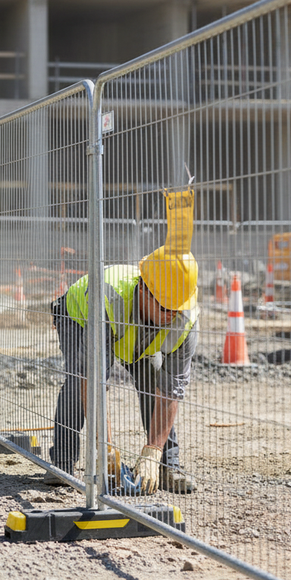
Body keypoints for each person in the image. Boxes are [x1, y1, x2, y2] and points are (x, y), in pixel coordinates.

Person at [50, 188, 199, 494]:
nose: (172, 315)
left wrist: (153, 451)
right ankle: (62, 465)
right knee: (78, 379)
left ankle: (166, 466)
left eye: (177, 308)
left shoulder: (184, 317)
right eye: (165, 307)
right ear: (143, 290)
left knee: (154, 377)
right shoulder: (109, 299)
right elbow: (93, 381)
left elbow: (171, 390)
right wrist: (104, 447)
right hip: (79, 315)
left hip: (132, 334)